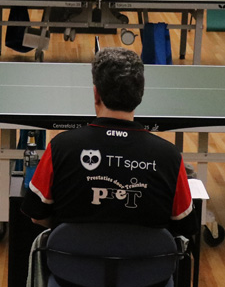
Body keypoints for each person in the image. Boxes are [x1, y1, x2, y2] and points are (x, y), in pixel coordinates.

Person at [22, 48, 196, 236]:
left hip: (74, 255)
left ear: (96, 94)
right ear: (140, 94)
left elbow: (36, 214)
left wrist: (66, 231)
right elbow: (184, 226)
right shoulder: (169, 157)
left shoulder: (60, 147)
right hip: (146, 256)